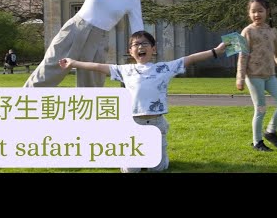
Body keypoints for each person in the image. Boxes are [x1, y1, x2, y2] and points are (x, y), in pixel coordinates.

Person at [59, 30, 227, 173]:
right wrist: (74, 63)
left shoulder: (164, 68)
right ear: (130, 51)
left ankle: (156, 153)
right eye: (136, 44)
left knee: (158, 169)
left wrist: (215, 52)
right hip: (133, 123)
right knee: (131, 170)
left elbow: (190, 59)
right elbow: (97, 66)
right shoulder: (125, 70)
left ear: (153, 49)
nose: (140, 47)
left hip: (156, 123)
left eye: (145, 43)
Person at [21, 0, 144, 88]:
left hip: (98, 41)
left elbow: (138, 32)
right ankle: (19, 107)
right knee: (45, 75)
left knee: (91, 88)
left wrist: (141, 57)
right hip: (74, 30)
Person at [236, 0, 277, 152]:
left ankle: (271, 131)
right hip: (254, 77)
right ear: (249, 13)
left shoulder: (273, 31)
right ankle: (257, 142)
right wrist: (240, 78)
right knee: (260, 109)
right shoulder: (247, 31)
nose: (257, 14)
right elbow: (242, 56)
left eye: (260, 11)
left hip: (270, 76)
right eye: (253, 11)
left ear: (267, 12)